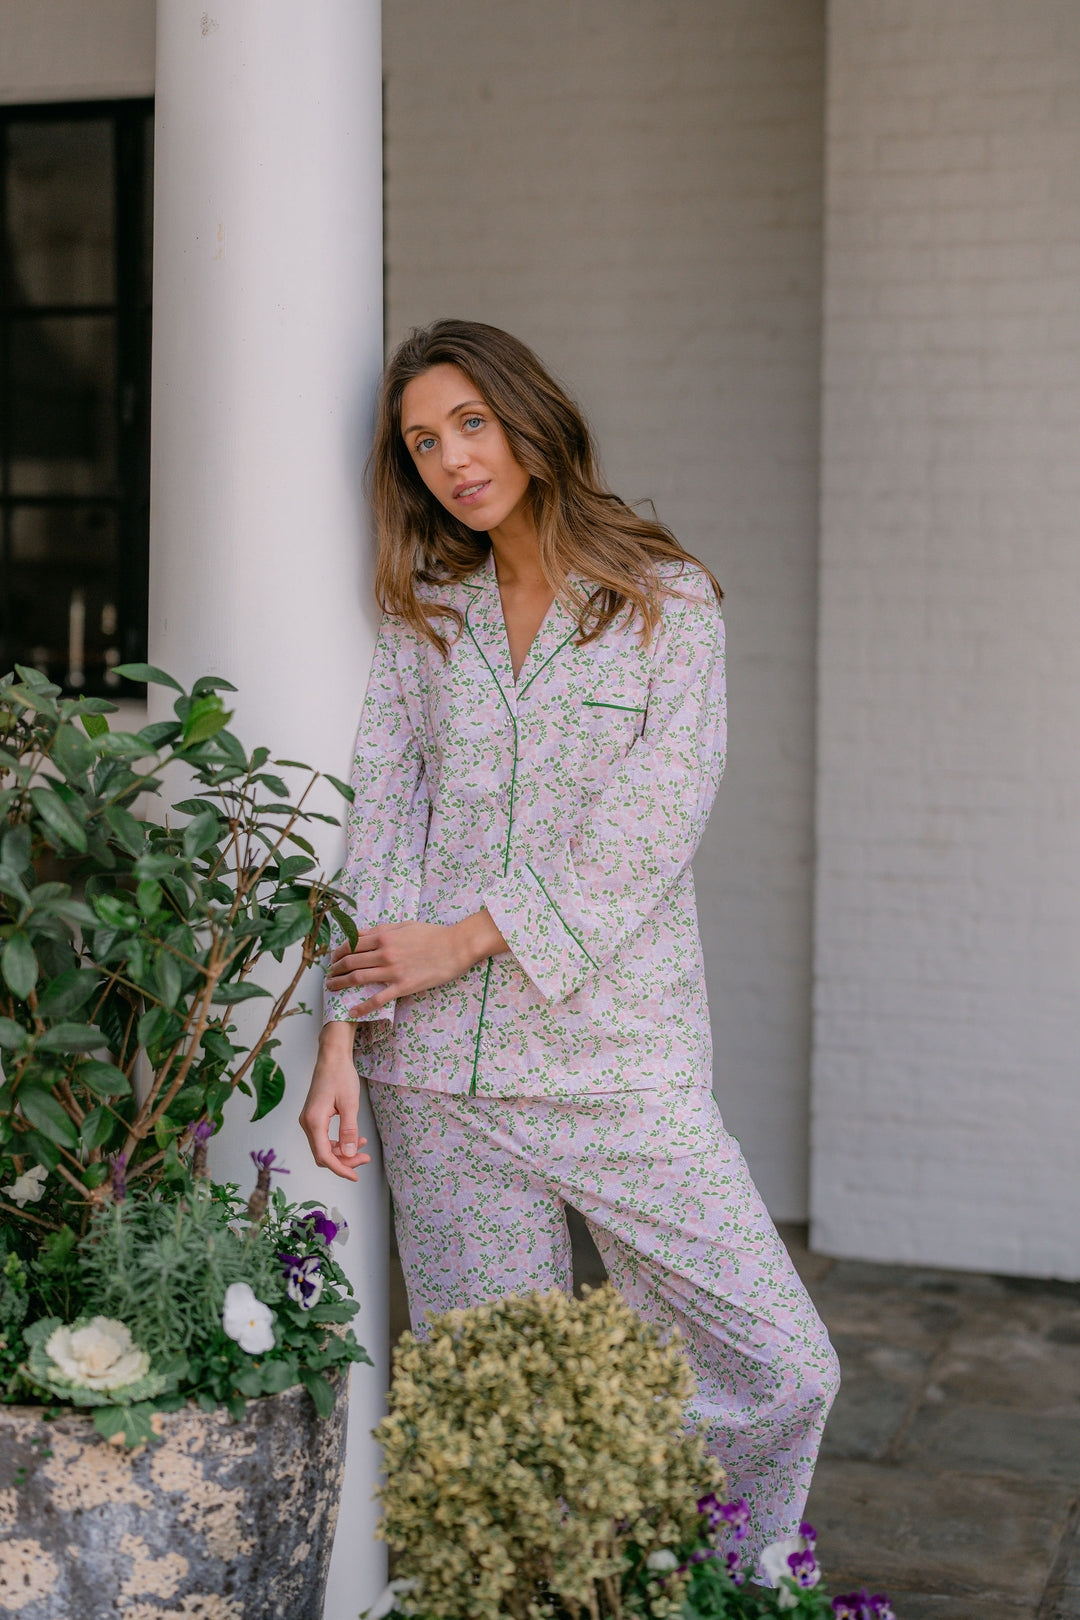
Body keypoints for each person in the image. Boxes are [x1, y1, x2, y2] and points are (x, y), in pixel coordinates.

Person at [298, 318, 839, 1559]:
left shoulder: (663, 595)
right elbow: (378, 811)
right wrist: (344, 1031)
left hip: (615, 1063)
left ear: (527, 418)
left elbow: (658, 817)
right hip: (436, 1079)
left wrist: (466, 939)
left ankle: (702, 1580)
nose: (450, 461)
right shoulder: (427, 613)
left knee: (778, 1366)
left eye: (469, 425)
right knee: (499, 1418)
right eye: (422, 442)